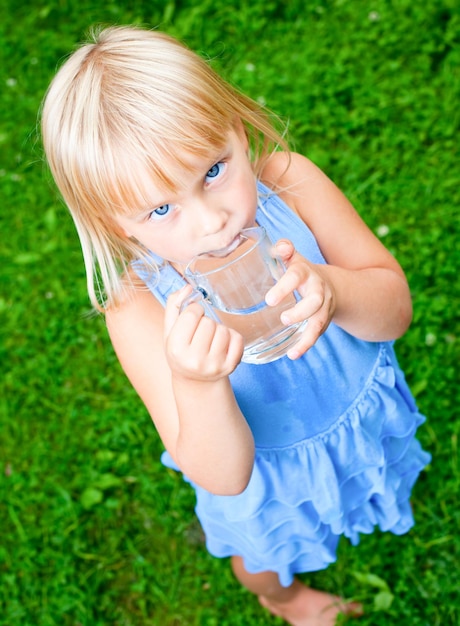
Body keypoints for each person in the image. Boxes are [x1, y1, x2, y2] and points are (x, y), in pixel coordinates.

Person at [41, 25, 431, 626]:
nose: (211, 222)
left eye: (214, 170)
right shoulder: (137, 302)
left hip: (352, 411)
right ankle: (283, 600)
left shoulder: (292, 183)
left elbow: (395, 309)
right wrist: (197, 383)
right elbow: (223, 475)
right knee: (263, 556)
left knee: (365, 479)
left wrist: (336, 288)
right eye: (161, 209)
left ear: (239, 132)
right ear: (120, 227)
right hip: (268, 472)